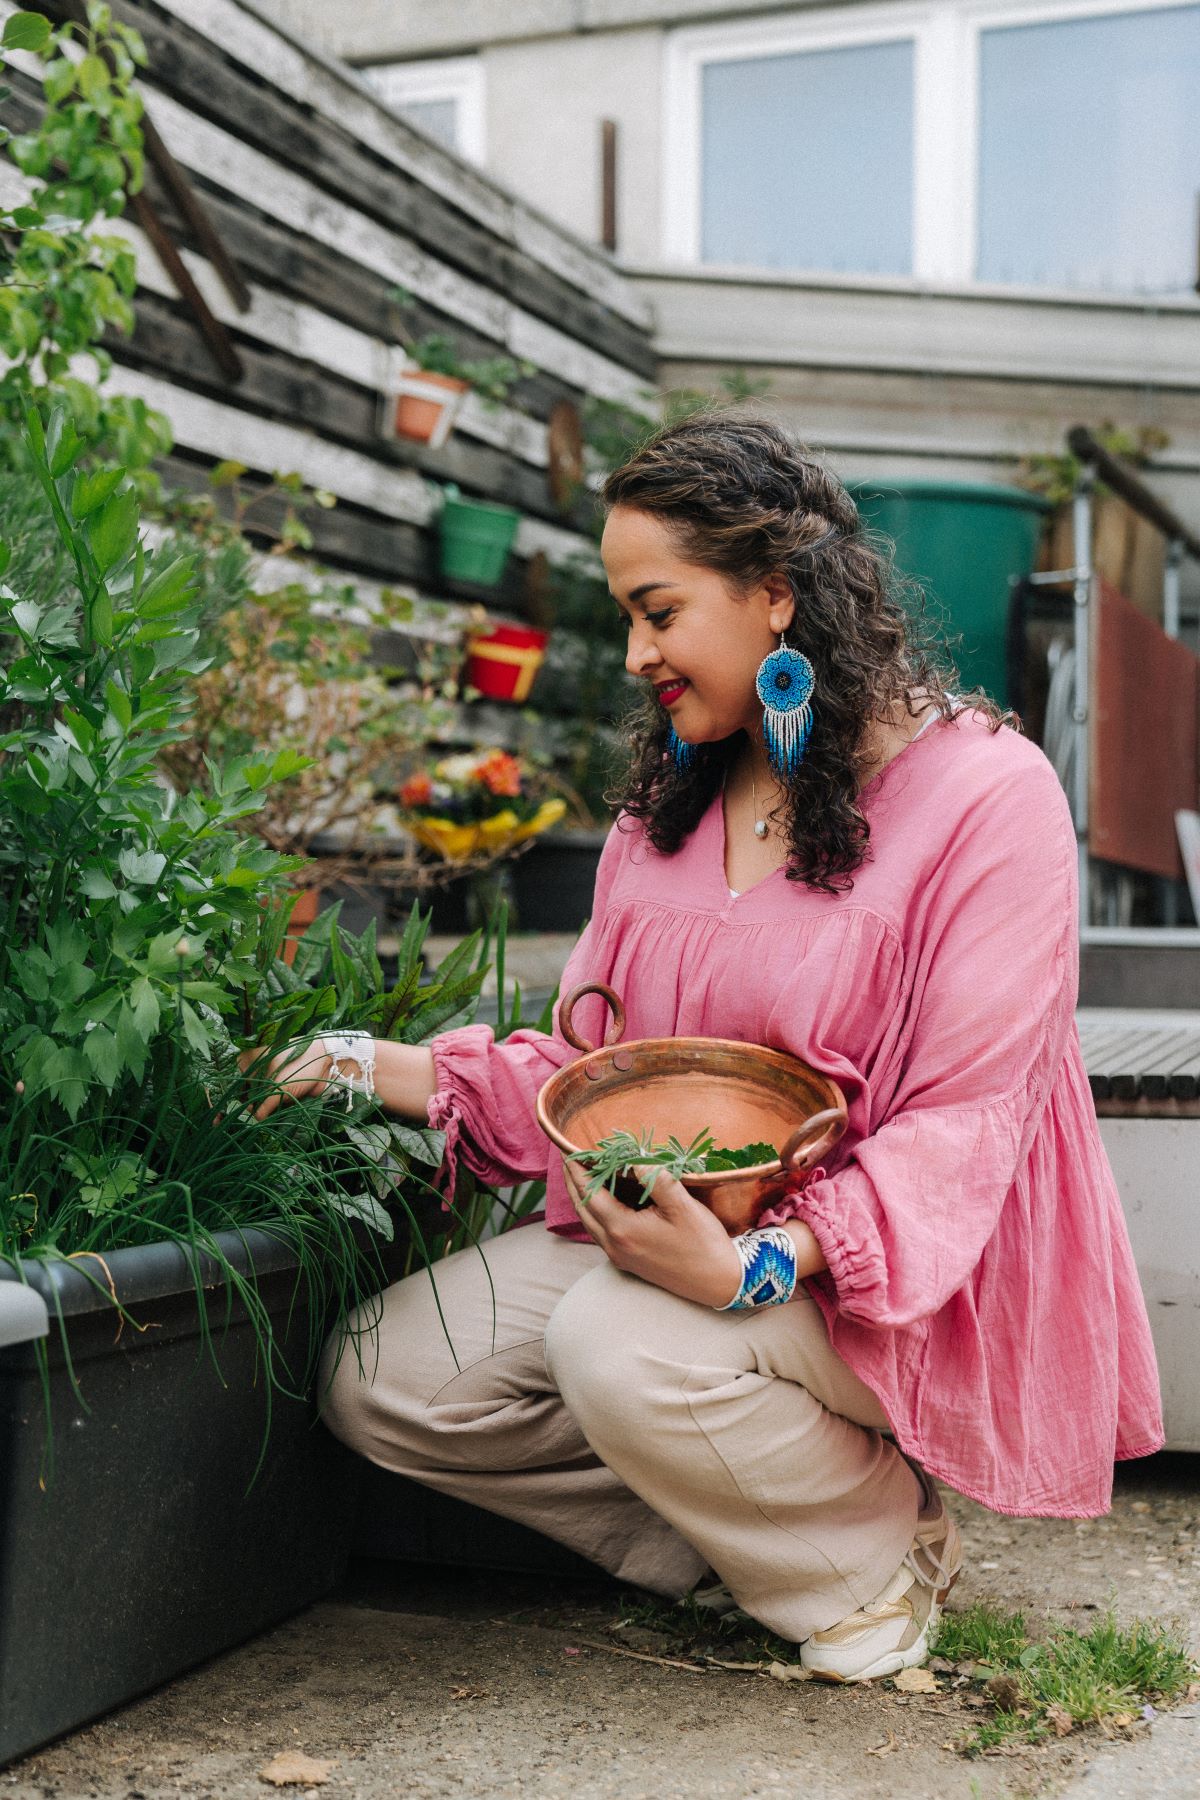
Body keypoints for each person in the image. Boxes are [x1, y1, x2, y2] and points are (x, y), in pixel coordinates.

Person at [255, 414, 1163, 1683]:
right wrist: (364, 1063)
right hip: (669, 1233)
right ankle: (745, 1532)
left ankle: (873, 1563)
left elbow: (966, 1122)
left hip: (874, 1273)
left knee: (613, 1348)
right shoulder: (672, 804)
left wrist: (751, 1266)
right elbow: (602, 1075)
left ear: (777, 595)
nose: (635, 652)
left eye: (658, 610)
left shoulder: (985, 794)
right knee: (384, 1379)